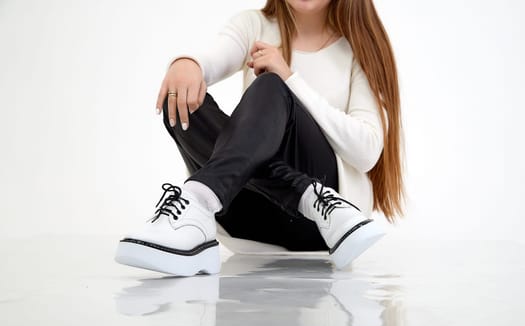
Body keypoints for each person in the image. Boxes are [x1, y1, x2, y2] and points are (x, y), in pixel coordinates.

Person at [114, 0, 404, 276]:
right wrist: (187, 64)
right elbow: (213, 58)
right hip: (247, 216)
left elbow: (366, 151)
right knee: (181, 98)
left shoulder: (359, 48)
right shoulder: (254, 25)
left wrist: (290, 79)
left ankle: (198, 200)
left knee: (271, 85)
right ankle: (303, 194)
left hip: (321, 227)